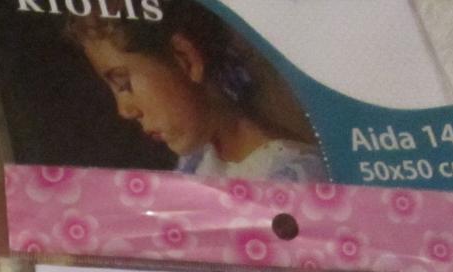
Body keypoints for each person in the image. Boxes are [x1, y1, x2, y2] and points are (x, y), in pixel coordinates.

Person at [64, 2, 327, 182]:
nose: (125, 110)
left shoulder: (294, 178)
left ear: (186, 59)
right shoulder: (196, 162)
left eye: (124, 84)